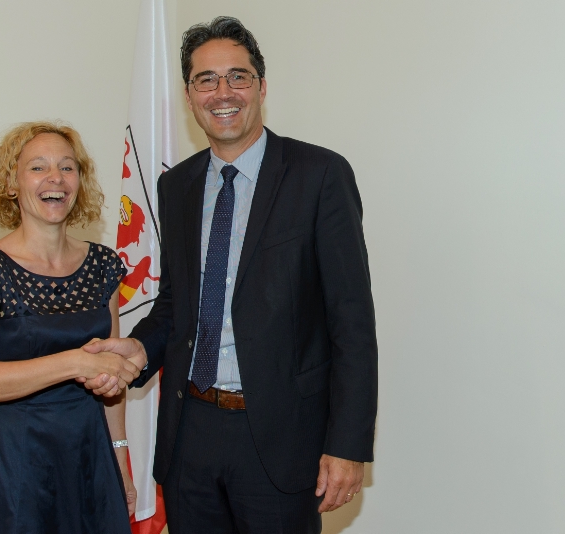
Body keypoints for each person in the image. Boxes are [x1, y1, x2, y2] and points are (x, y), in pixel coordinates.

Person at [81, 16, 378, 534]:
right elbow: (176, 304)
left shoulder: (320, 175)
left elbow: (351, 321)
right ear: (189, 96)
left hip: (282, 441)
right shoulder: (177, 187)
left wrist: (348, 445)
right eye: (206, 80)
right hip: (189, 434)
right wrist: (139, 350)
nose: (223, 92)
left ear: (261, 86)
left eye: (237, 76)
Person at [0, 121, 145, 533]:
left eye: (67, 167)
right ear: (11, 184)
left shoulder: (104, 266)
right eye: (38, 167)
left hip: (90, 458)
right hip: (15, 464)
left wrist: (120, 459)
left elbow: (110, 381)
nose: (55, 177)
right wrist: (75, 362)